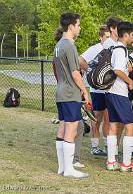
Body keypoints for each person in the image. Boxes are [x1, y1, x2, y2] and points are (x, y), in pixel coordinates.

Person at [53, 12, 89, 178]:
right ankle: (69, 169)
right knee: (71, 129)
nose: (80, 28)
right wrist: (84, 90)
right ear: (71, 26)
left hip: (61, 91)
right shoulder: (69, 45)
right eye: (79, 25)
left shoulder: (59, 45)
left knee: (62, 127)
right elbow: (75, 73)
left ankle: (62, 167)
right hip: (70, 93)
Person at [104, 21, 133, 172]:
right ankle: (126, 163)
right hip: (119, 92)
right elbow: (117, 70)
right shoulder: (121, 49)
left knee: (114, 125)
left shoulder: (115, 48)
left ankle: (111, 162)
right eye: (132, 35)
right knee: (130, 125)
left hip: (110, 92)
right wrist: (130, 81)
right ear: (125, 35)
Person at [79, 25, 110, 156]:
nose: (108, 40)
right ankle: (95, 146)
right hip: (97, 91)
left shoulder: (112, 49)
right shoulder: (95, 48)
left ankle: (108, 146)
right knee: (96, 119)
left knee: (109, 119)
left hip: (109, 91)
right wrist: (92, 72)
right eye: (106, 37)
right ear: (100, 37)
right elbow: (80, 60)